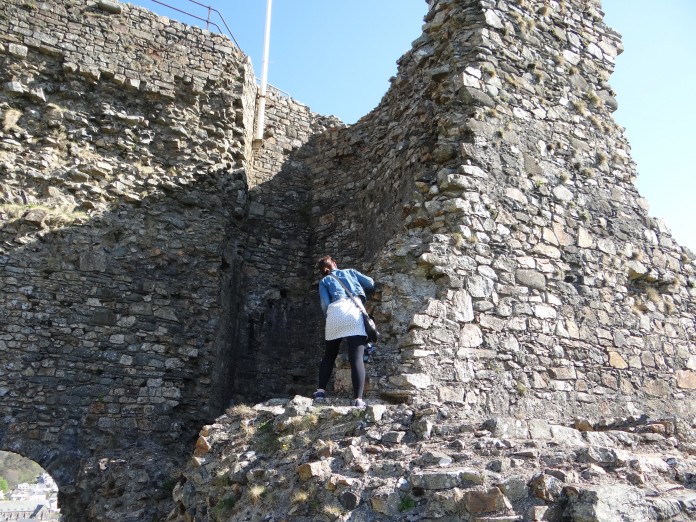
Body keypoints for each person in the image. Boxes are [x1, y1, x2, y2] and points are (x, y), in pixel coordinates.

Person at [314, 255, 375, 408]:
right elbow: (370, 283)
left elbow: (324, 304)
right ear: (334, 263)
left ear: (323, 270)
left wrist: (330, 318)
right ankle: (358, 399)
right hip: (353, 312)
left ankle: (320, 392)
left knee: (329, 355)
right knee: (356, 359)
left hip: (335, 313)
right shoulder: (350, 272)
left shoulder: (324, 281)